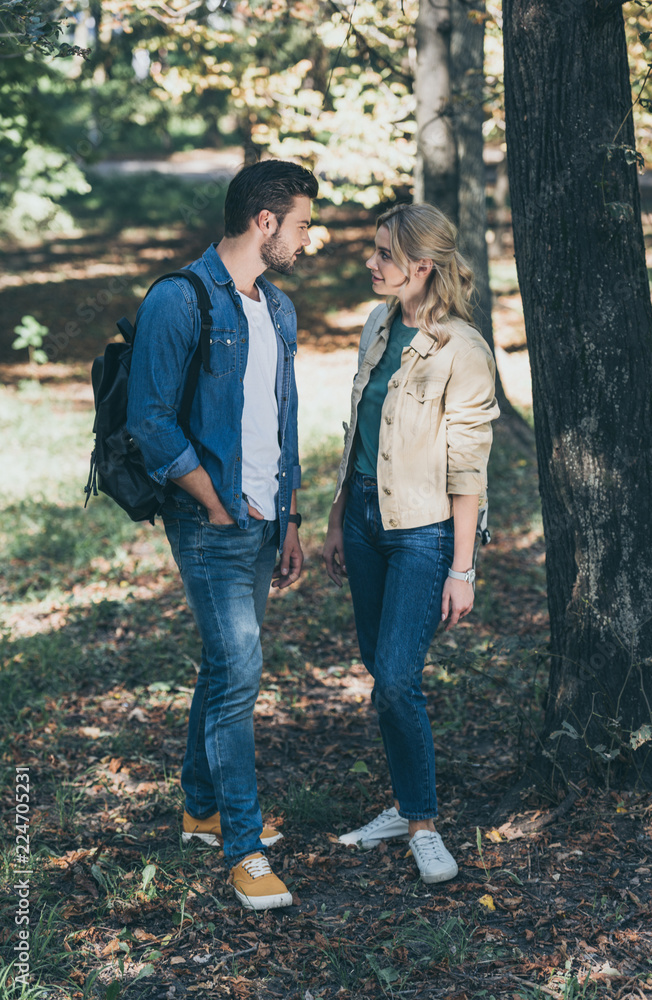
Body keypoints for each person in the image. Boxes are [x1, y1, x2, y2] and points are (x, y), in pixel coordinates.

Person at [127, 159, 318, 910]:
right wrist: (211, 502)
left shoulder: (280, 308)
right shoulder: (179, 298)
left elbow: (283, 422)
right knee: (239, 675)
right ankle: (244, 849)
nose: (308, 239)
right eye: (302, 225)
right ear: (264, 222)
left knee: (223, 670)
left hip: (266, 521)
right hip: (211, 523)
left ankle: (200, 808)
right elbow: (149, 420)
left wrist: (290, 517)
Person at [323, 203, 499, 884]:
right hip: (365, 518)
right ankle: (403, 806)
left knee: (397, 678)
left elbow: (468, 469)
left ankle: (422, 823)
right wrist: (338, 519)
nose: (371, 262)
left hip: (423, 531)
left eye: (384, 254)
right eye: (374, 250)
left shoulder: (464, 349)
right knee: (381, 667)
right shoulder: (377, 324)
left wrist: (463, 568)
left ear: (422, 266)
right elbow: (357, 432)